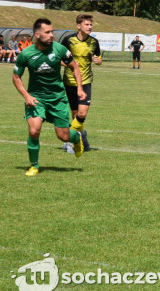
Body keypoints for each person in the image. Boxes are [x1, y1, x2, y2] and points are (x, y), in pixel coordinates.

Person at [12, 18, 85, 176]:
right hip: (36, 98)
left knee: (63, 136)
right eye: (48, 32)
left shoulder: (59, 49)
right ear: (37, 35)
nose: (52, 35)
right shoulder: (26, 54)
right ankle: (34, 166)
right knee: (34, 131)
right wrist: (26, 96)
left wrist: (79, 87)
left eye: (52, 31)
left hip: (58, 98)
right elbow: (16, 77)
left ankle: (76, 137)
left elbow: (74, 66)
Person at [62, 13, 102, 152]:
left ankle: (69, 140)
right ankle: (81, 136)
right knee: (75, 114)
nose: (89, 27)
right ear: (78, 26)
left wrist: (98, 61)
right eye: (87, 24)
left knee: (82, 114)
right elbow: (59, 59)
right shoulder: (68, 40)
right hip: (70, 81)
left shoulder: (94, 42)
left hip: (86, 81)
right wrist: (69, 64)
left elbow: (98, 58)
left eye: (91, 24)